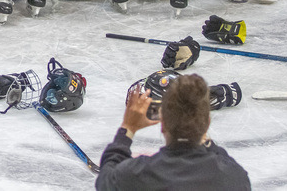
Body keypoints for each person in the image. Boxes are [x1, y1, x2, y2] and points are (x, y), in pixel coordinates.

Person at [97, 74, 250, 190]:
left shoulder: (137, 174)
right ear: (207, 123)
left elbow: (105, 179)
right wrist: (199, 125)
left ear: (163, 125)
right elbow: (223, 160)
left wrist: (128, 127)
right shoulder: (235, 178)